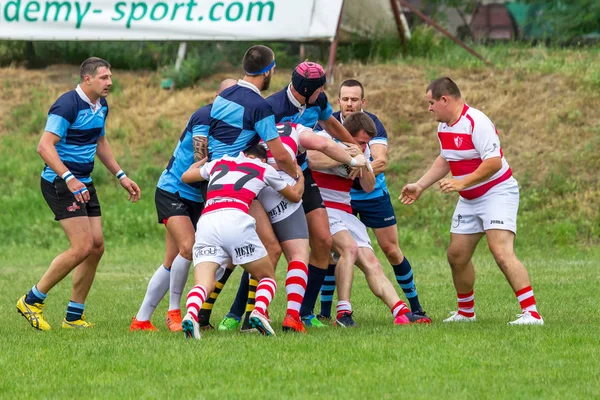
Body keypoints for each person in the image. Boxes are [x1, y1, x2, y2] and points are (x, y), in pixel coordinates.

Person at [212, 61, 360, 331]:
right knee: (269, 249)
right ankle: (239, 313)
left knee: (323, 239)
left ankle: (304, 312)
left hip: (301, 173)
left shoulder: (319, 100)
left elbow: (330, 126)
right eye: (320, 89)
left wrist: (353, 146)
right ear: (308, 91)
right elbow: (257, 146)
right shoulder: (273, 106)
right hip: (271, 181)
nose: (323, 93)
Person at [399, 77, 543, 325]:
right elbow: (446, 159)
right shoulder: (444, 127)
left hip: (497, 192)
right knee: (456, 256)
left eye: (431, 102)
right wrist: (421, 185)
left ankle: (532, 313)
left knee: (501, 252)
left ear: (445, 99)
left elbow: (494, 161)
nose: (429, 108)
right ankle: (466, 313)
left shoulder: (477, 122)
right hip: (470, 198)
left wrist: (461, 182)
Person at [16, 57, 141, 330]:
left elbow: (100, 141)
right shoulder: (67, 105)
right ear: (87, 79)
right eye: (104, 77)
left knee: (96, 247)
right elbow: (44, 146)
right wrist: (69, 178)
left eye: (110, 77)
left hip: (83, 182)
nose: (110, 82)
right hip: (60, 183)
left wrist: (121, 176)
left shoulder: (101, 106)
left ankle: (73, 316)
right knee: (82, 246)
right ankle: (32, 300)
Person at [130, 79, 237, 332]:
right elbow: (201, 160)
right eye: (227, 95)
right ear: (217, 96)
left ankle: (141, 320)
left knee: (172, 260)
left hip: (198, 197)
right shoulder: (204, 115)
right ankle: (174, 313)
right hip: (173, 190)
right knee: (189, 248)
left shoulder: (236, 124)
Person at [316, 79, 428, 321]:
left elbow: (376, 169)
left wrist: (363, 163)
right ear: (338, 101)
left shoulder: (370, 126)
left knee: (384, 253)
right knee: (340, 251)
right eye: (345, 99)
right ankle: (332, 312)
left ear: (362, 101)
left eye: (354, 99)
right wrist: (344, 158)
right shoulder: (326, 128)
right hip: (325, 205)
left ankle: (407, 311)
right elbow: (310, 158)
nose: (349, 103)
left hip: (362, 200)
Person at [180, 144, 304, 339]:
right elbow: (295, 196)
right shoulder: (264, 168)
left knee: (203, 283)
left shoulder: (219, 163)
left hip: (207, 220)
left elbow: (186, 177)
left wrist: (199, 164)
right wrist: (300, 177)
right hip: (236, 218)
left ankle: (191, 314)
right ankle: (258, 311)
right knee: (267, 277)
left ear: (244, 154)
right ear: (262, 160)